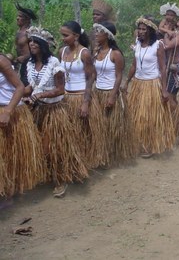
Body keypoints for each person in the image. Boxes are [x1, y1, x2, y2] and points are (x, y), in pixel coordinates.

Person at [24, 26, 88, 197]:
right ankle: (47, 175)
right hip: (38, 111)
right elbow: (32, 86)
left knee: (54, 147)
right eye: (30, 41)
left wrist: (40, 95)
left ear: (43, 45)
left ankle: (61, 180)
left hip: (54, 111)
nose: (31, 44)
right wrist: (21, 95)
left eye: (35, 41)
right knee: (40, 146)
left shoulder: (54, 63)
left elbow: (60, 89)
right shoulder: (30, 64)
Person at [121, 17, 174, 158]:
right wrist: (127, 82)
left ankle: (150, 145)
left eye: (144, 29)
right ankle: (139, 143)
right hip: (138, 84)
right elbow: (134, 65)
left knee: (149, 117)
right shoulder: (137, 44)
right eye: (139, 29)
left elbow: (163, 68)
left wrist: (164, 89)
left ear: (150, 31)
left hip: (152, 84)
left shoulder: (158, 45)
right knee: (136, 115)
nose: (141, 31)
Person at [0, 53, 45, 197]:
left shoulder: (1, 61)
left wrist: (7, 112)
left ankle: (13, 189)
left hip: (12, 110)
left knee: (13, 153)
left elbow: (20, 87)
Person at [59, 21, 101, 168]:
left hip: (81, 96)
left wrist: (85, 102)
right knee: (70, 133)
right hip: (66, 97)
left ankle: (86, 162)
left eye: (66, 35)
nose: (63, 38)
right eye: (62, 35)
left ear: (76, 36)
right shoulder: (62, 52)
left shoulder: (84, 53)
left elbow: (90, 78)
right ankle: (74, 163)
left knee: (83, 132)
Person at [92, 21, 134, 165]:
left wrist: (112, 96)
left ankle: (112, 154)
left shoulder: (115, 54)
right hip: (98, 92)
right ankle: (102, 154)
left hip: (110, 93)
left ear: (108, 35)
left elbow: (118, 76)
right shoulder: (96, 52)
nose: (96, 34)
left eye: (100, 31)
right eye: (96, 31)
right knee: (100, 125)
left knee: (112, 126)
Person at [15, 3, 37, 86]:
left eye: (20, 17)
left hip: (30, 65)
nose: (17, 18)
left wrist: (25, 57)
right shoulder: (19, 32)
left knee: (26, 85)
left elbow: (37, 49)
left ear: (27, 19)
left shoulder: (31, 32)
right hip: (21, 65)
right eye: (17, 16)